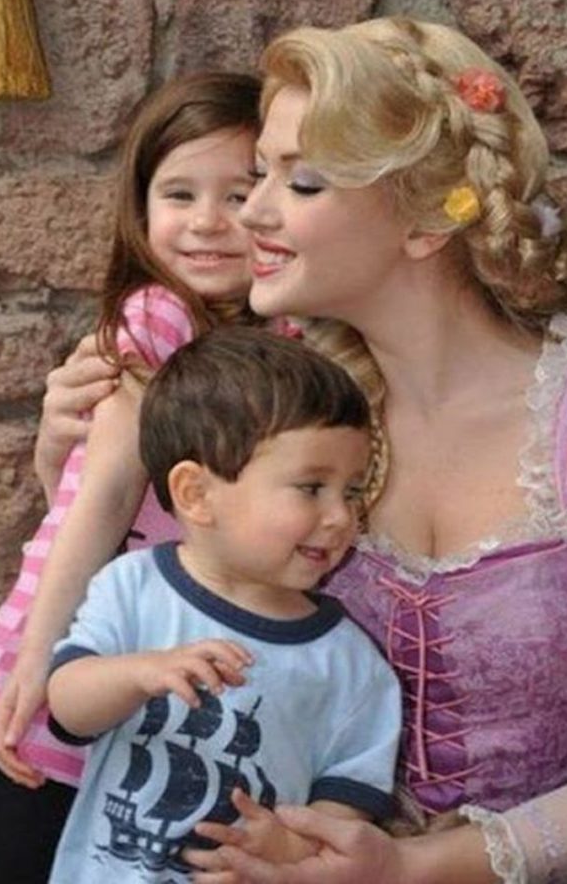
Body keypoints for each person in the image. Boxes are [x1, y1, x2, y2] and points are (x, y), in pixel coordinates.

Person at [34, 16, 567, 884]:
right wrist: (69, 468)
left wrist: (416, 867)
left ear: (426, 221)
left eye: (302, 181)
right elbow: (171, 593)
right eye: (262, 174)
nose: (253, 212)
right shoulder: (295, 410)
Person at [0, 71, 261, 884]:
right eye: (179, 194)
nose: (207, 222)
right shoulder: (157, 318)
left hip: (144, 692)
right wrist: (38, 661)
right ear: (140, 206)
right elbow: (100, 497)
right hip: (53, 667)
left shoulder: (285, 338)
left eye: (239, 196)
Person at [46, 325, 401, 884]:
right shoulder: (134, 586)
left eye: (352, 492)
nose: (342, 517)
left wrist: (291, 845)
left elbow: (345, 806)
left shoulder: (352, 665)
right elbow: (67, 706)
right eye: (312, 488)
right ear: (196, 494)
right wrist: (141, 673)